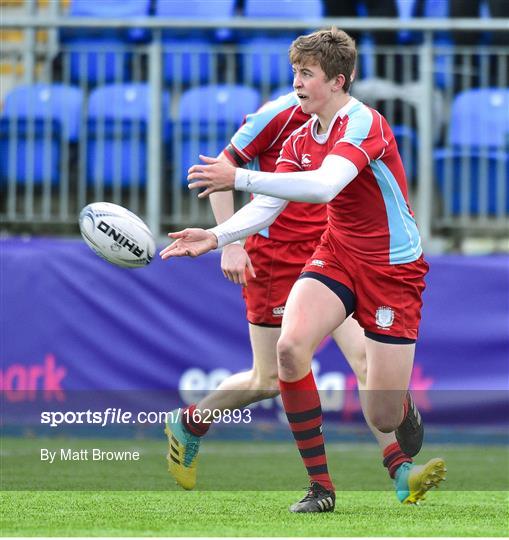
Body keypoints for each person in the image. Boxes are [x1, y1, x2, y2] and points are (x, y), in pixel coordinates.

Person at [161, 27, 446, 513]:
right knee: (290, 354)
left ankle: (397, 414)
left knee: (380, 405)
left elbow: (323, 187)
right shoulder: (297, 133)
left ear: (338, 81)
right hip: (333, 253)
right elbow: (269, 203)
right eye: (294, 71)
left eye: (307, 73)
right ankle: (325, 489)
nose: (296, 82)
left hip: (392, 270)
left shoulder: (364, 123)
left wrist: (240, 177)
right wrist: (217, 238)